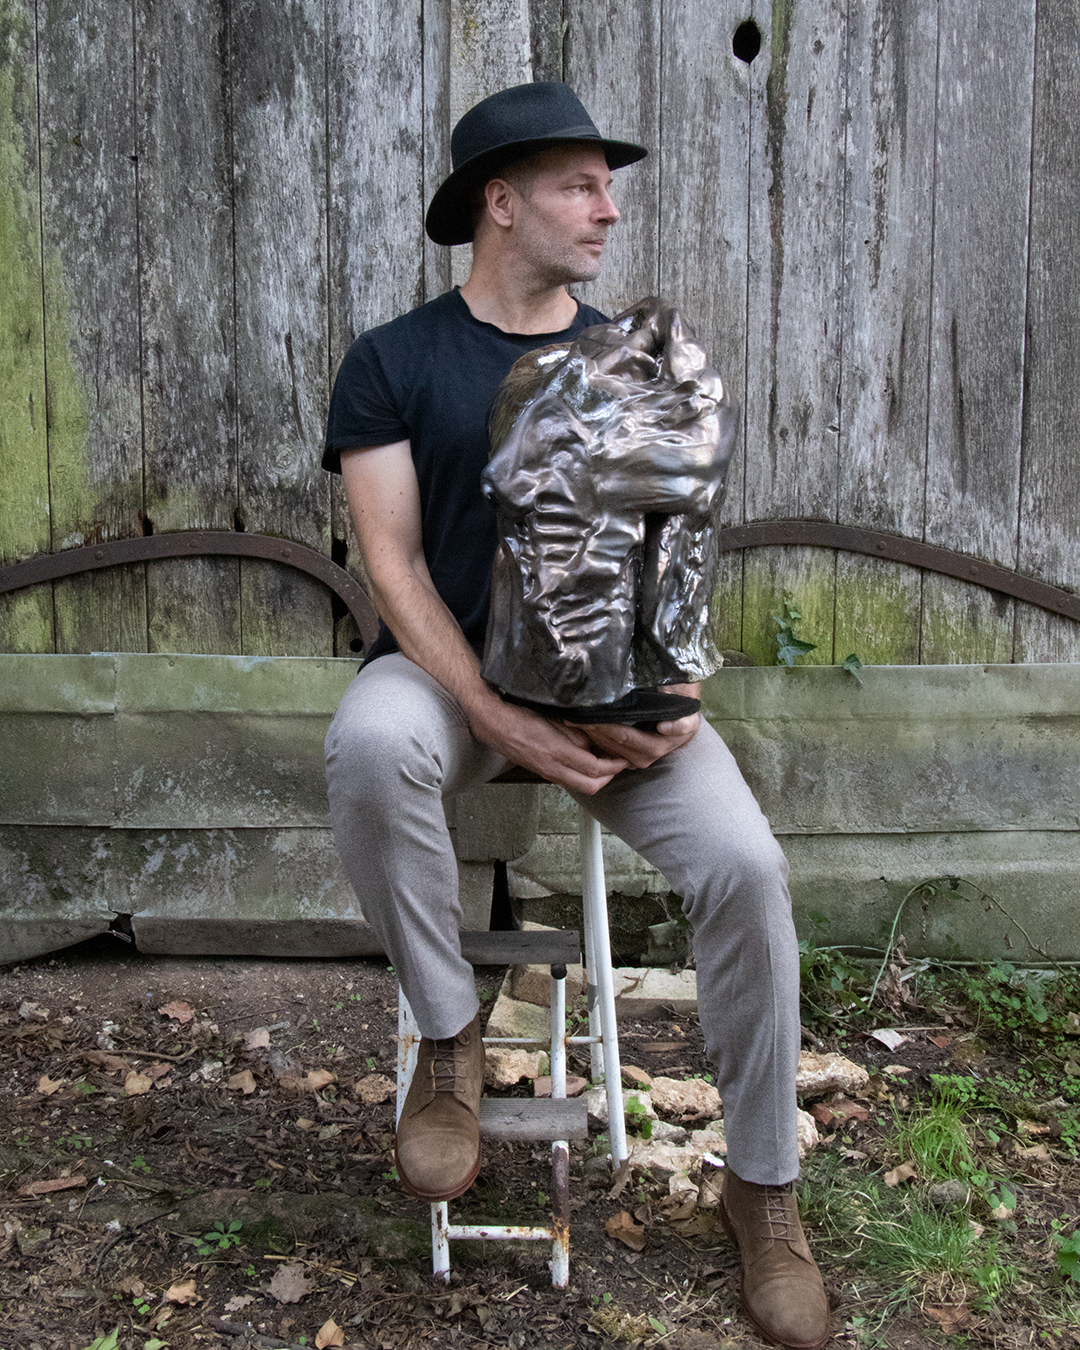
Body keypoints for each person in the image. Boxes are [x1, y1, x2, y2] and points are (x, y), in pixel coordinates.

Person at [322, 82, 830, 1350]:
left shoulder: (633, 365)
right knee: (370, 741)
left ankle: (762, 1192)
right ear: (500, 203)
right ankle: (449, 1040)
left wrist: (680, 686)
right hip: (451, 686)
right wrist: (508, 717)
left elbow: (683, 555)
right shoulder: (394, 362)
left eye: (609, 186)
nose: (608, 209)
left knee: (750, 871)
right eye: (578, 185)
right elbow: (391, 568)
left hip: (614, 699)